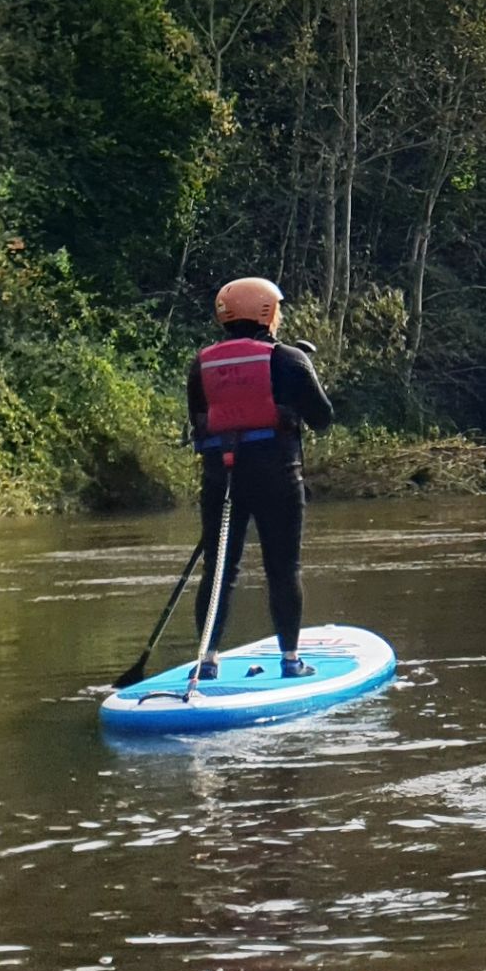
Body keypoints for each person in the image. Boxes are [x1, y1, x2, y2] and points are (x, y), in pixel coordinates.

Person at [187, 277, 334, 678]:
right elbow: (323, 418)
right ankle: (290, 660)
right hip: (277, 478)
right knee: (283, 569)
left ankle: (207, 661)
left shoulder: (202, 363)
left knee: (219, 569)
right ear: (266, 312)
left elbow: (199, 423)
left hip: (222, 480)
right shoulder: (289, 359)